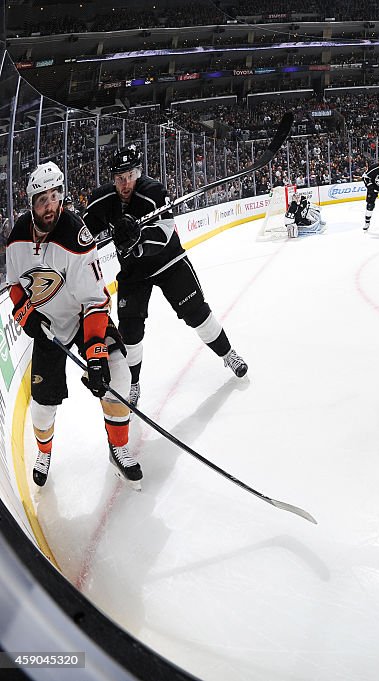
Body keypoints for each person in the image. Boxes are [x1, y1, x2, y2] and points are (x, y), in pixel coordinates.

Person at [6, 162, 141, 489]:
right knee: (41, 409)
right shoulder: (16, 240)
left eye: (56, 195)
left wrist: (95, 353)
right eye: (43, 199)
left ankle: (118, 447)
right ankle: (44, 452)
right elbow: (14, 287)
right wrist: (26, 315)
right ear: (31, 203)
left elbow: (96, 301)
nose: (51, 204)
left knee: (118, 373)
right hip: (49, 326)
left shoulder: (76, 236)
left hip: (84, 319)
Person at [82, 145, 248, 408]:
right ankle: (134, 383)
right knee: (130, 332)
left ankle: (229, 354)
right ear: (113, 179)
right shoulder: (104, 202)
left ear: (138, 173)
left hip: (168, 262)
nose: (125, 184)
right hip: (134, 273)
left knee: (198, 314)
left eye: (129, 177)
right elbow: (82, 233)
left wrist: (138, 238)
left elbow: (166, 231)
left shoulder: (153, 192)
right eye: (119, 179)